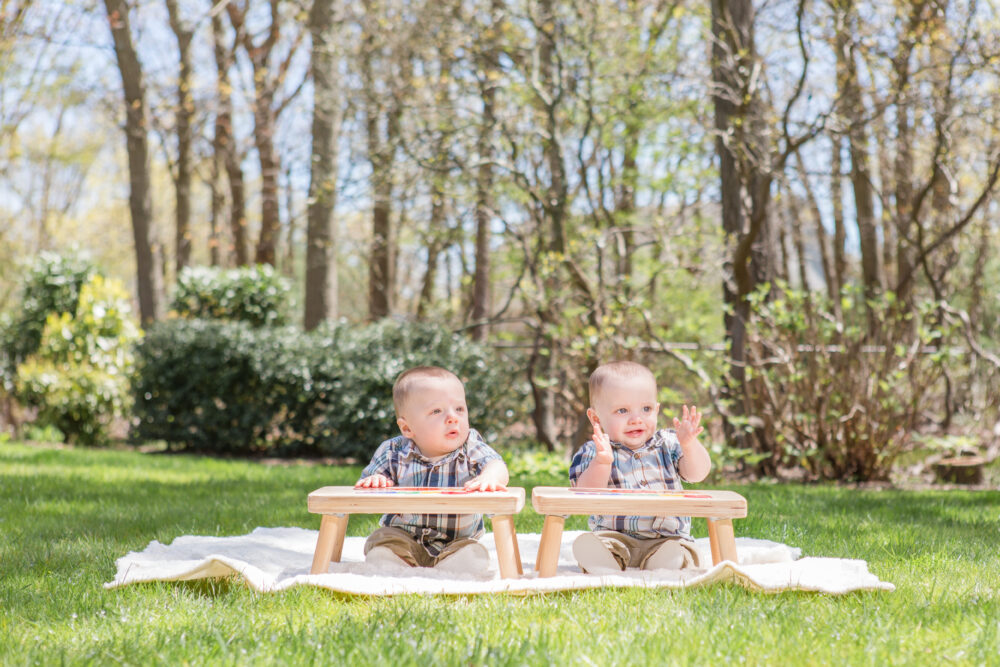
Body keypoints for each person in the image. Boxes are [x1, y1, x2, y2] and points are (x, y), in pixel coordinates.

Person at [355, 365, 509, 573]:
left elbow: (496, 464)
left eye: (459, 409)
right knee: (382, 542)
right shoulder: (394, 451)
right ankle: (396, 563)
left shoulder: (470, 446)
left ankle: (452, 566)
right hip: (404, 535)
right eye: (437, 411)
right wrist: (376, 480)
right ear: (407, 428)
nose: (453, 417)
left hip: (456, 541)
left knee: (473, 553)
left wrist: (490, 477)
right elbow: (369, 479)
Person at [568, 360, 712, 573]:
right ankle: (606, 564)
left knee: (680, 551)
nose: (636, 419)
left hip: (667, 537)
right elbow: (584, 494)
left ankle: (664, 565)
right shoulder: (595, 450)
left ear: (656, 409)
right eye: (622, 410)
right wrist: (602, 462)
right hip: (615, 536)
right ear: (596, 417)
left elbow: (697, 474)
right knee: (597, 545)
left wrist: (689, 446)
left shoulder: (669, 443)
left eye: (646, 409)